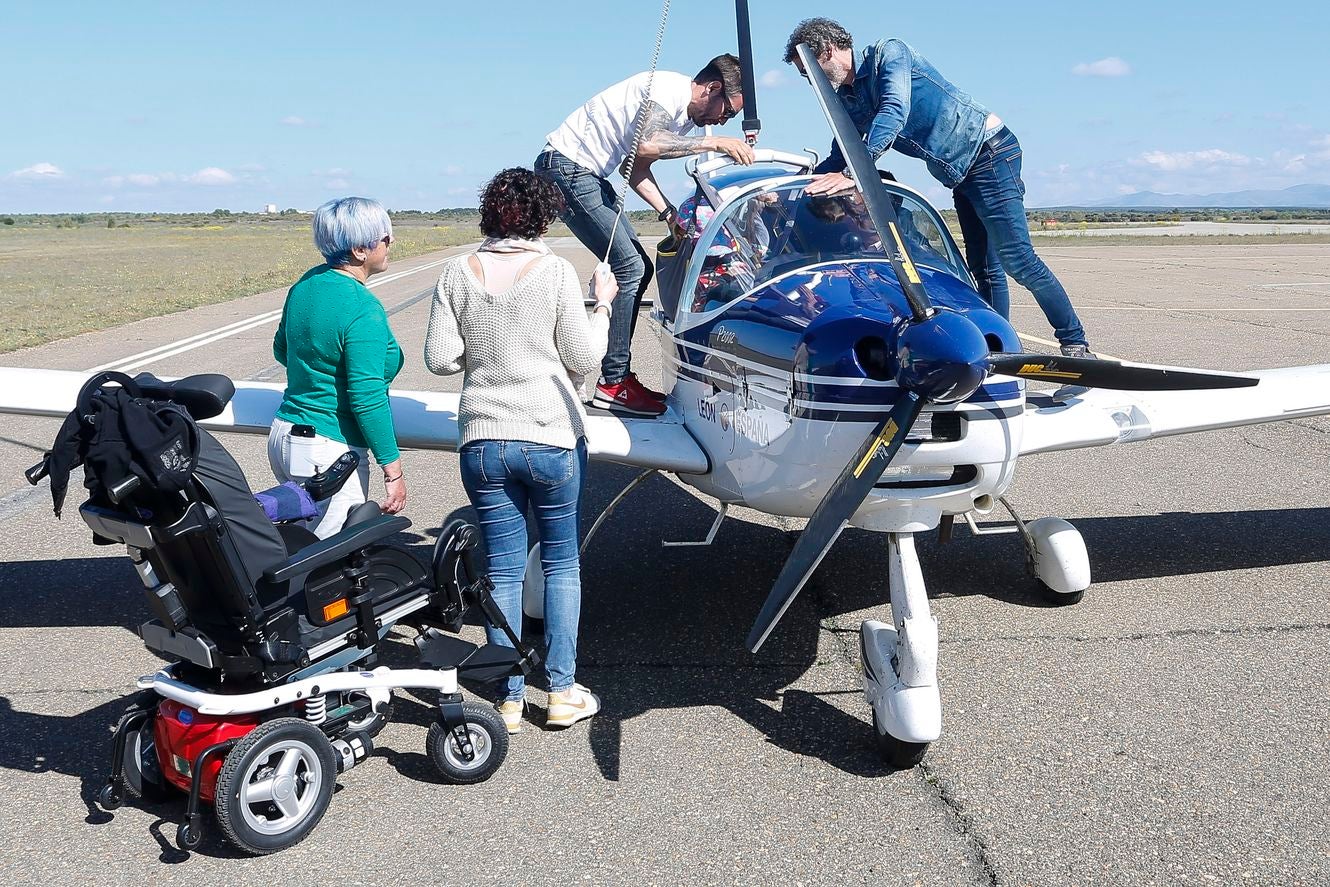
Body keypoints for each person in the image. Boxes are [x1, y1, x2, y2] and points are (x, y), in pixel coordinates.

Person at [425, 168, 616, 733]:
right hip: (551, 435)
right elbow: (585, 360)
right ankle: (560, 691)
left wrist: (487, 362)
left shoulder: (457, 272)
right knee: (561, 563)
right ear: (544, 216)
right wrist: (599, 304)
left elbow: (439, 357)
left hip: (483, 438)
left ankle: (507, 699)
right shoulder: (556, 272)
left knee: (502, 573)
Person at [784, 18, 1093, 356]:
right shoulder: (848, 97)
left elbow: (894, 110)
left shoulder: (890, 54)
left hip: (988, 152)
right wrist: (797, 186)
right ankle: (994, 350)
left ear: (827, 51)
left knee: (1017, 259)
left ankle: (1075, 343)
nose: (810, 82)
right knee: (984, 270)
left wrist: (853, 172)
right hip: (959, 172)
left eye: (808, 72)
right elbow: (842, 148)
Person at [535, 54, 758, 416]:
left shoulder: (678, 118)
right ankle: (613, 383)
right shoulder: (668, 92)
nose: (721, 120)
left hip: (587, 173)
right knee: (630, 268)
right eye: (727, 111)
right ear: (713, 88)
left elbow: (633, 167)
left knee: (638, 266)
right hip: (568, 168)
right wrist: (715, 144)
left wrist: (669, 214)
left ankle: (616, 377)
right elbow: (645, 145)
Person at [269, 197, 406, 539]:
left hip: (285, 434)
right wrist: (393, 470)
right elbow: (367, 398)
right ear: (361, 249)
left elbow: (282, 350)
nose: (391, 243)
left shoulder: (307, 284)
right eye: (385, 237)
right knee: (325, 561)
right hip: (329, 450)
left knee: (300, 543)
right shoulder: (363, 309)